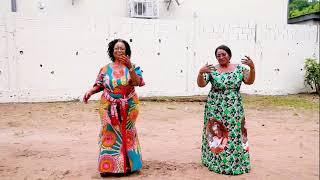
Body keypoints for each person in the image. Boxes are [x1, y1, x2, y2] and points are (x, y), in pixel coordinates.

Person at [83, 39, 145, 177]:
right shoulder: (105, 69)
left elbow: (137, 82)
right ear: (112, 50)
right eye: (116, 48)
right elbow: (99, 84)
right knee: (109, 132)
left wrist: (129, 67)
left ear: (127, 51)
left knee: (127, 131)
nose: (119, 51)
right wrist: (90, 92)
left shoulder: (134, 67)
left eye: (122, 48)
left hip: (129, 104)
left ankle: (129, 165)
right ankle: (108, 166)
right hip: (107, 105)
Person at [197, 45, 255, 175]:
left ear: (229, 55)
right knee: (217, 132)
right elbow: (201, 84)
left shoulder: (240, 69)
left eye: (224, 54)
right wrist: (201, 72)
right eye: (218, 55)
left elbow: (249, 81)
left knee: (234, 132)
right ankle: (215, 160)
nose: (221, 57)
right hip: (215, 106)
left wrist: (252, 67)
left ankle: (235, 160)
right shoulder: (211, 70)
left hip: (234, 105)